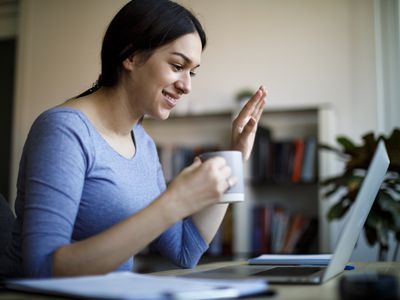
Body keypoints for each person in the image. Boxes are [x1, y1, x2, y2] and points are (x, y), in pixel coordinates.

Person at [0, 0, 266, 278]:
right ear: (131, 56)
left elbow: (186, 252)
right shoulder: (64, 131)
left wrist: (233, 159)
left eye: (192, 71)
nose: (187, 85)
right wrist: (173, 203)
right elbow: (43, 267)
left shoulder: (144, 145)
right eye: (177, 65)